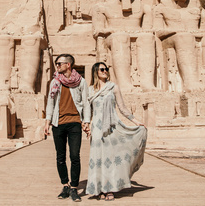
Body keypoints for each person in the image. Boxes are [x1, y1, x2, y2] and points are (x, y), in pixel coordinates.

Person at [86, 62, 147, 201]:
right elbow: (88, 111)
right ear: (96, 71)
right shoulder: (90, 90)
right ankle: (98, 188)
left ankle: (109, 188)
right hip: (96, 127)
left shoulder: (113, 87)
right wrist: (86, 125)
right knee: (97, 158)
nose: (105, 71)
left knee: (110, 158)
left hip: (111, 126)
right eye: (102, 69)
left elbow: (122, 108)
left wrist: (136, 121)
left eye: (106, 69)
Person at [44, 54, 91, 202]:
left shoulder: (80, 81)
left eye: (59, 63)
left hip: (74, 122)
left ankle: (74, 188)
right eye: (56, 64)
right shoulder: (55, 81)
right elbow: (50, 102)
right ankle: (65, 184)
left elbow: (86, 102)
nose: (57, 66)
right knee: (60, 157)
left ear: (68, 65)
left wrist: (87, 121)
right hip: (58, 123)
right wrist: (47, 121)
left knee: (75, 156)